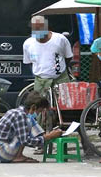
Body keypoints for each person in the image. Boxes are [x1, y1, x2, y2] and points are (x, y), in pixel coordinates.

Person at [23, 15, 73, 152]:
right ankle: (41, 142)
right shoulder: (28, 43)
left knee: (65, 111)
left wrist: (58, 70)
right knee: (38, 112)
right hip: (40, 79)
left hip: (59, 77)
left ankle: (64, 141)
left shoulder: (60, 39)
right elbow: (29, 63)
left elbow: (68, 57)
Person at [0, 91, 62, 163]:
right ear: (33, 107)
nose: (39, 114)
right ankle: (18, 156)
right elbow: (25, 140)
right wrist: (47, 138)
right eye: (39, 111)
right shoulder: (21, 116)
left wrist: (45, 137)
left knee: (30, 121)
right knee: (28, 124)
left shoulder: (17, 111)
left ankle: (43, 138)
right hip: (3, 152)